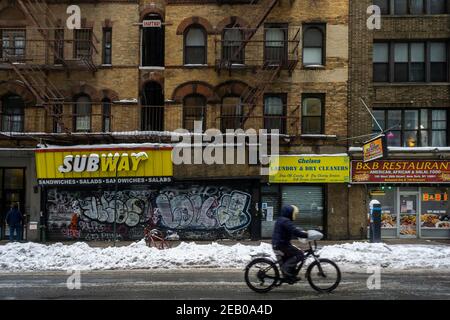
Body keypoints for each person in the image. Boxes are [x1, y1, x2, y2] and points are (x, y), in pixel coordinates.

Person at [272, 205, 308, 282]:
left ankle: (289, 274)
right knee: (299, 254)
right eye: (294, 213)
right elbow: (295, 231)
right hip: (281, 245)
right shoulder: (285, 221)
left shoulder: (283, 220)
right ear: (289, 213)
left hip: (280, 244)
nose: (295, 215)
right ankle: (286, 269)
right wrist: (307, 235)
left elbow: (293, 229)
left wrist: (301, 231)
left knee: (293, 254)